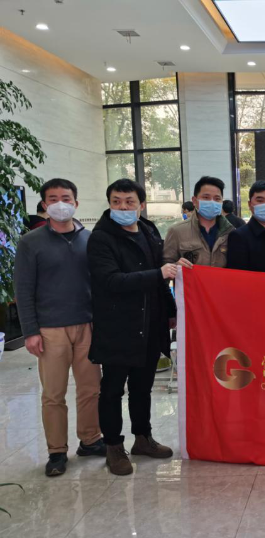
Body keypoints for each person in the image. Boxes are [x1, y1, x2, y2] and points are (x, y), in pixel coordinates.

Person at [14, 178, 104, 477]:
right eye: (53, 199)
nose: (60, 204)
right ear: (44, 205)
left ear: (76, 203)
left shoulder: (90, 239)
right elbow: (23, 289)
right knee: (53, 394)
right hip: (50, 329)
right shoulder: (30, 242)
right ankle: (57, 450)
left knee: (91, 389)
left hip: (87, 325)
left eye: (66, 198)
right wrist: (30, 331)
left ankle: (90, 439)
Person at [87, 179, 177, 476]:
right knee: (112, 389)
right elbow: (110, 281)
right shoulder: (101, 238)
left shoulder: (149, 231)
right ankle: (113, 446)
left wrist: (171, 311)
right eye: (116, 201)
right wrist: (158, 274)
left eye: (129, 202)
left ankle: (143, 438)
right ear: (109, 203)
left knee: (143, 387)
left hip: (150, 323)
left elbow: (160, 281)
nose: (123, 207)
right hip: (118, 325)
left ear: (141, 205)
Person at [163, 177, 234, 269]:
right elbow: (165, 265)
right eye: (206, 197)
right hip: (189, 279)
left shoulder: (231, 232)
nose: (212, 202)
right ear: (194, 201)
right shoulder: (176, 231)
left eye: (217, 199)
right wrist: (176, 266)